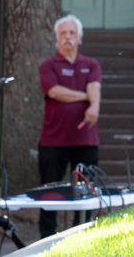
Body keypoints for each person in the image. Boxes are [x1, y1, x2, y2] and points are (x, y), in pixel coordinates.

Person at [37, 14, 101, 239]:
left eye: (72, 33)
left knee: (85, 193)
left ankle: (82, 236)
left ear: (80, 38)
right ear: (56, 39)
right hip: (53, 140)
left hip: (85, 140)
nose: (68, 37)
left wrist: (94, 106)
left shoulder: (91, 64)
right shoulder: (48, 65)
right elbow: (55, 92)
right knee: (49, 192)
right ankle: (46, 238)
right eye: (63, 33)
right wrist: (87, 97)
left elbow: (95, 87)